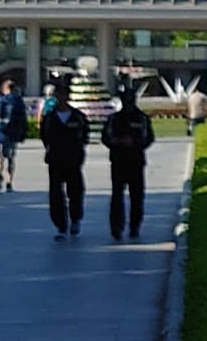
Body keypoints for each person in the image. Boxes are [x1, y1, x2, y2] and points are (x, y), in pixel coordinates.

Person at [102, 85, 155, 241]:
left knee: (137, 197)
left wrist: (136, 143)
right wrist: (118, 142)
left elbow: (149, 138)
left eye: (131, 100)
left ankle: (134, 226)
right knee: (117, 196)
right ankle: (116, 227)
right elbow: (105, 137)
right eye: (126, 100)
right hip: (118, 161)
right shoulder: (114, 119)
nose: (128, 103)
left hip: (136, 161)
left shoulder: (142, 118)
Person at [40, 80, 91, 240]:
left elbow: (84, 136)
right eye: (58, 95)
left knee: (75, 191)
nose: (61, 98)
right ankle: (61, 225)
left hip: (74, 160)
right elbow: (45, 137)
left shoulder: (78, 117)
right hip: (55, 160)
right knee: (56, 193)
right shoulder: (49, 118)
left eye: (63, 94)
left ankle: (75, 219)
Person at [0, 78, 27, 192]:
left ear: (5, 89)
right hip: (13, 133)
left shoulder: (0, 101)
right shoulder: (19, 101)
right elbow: (23, 119)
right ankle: (9, 182)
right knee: (11, 159)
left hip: (1, 133)